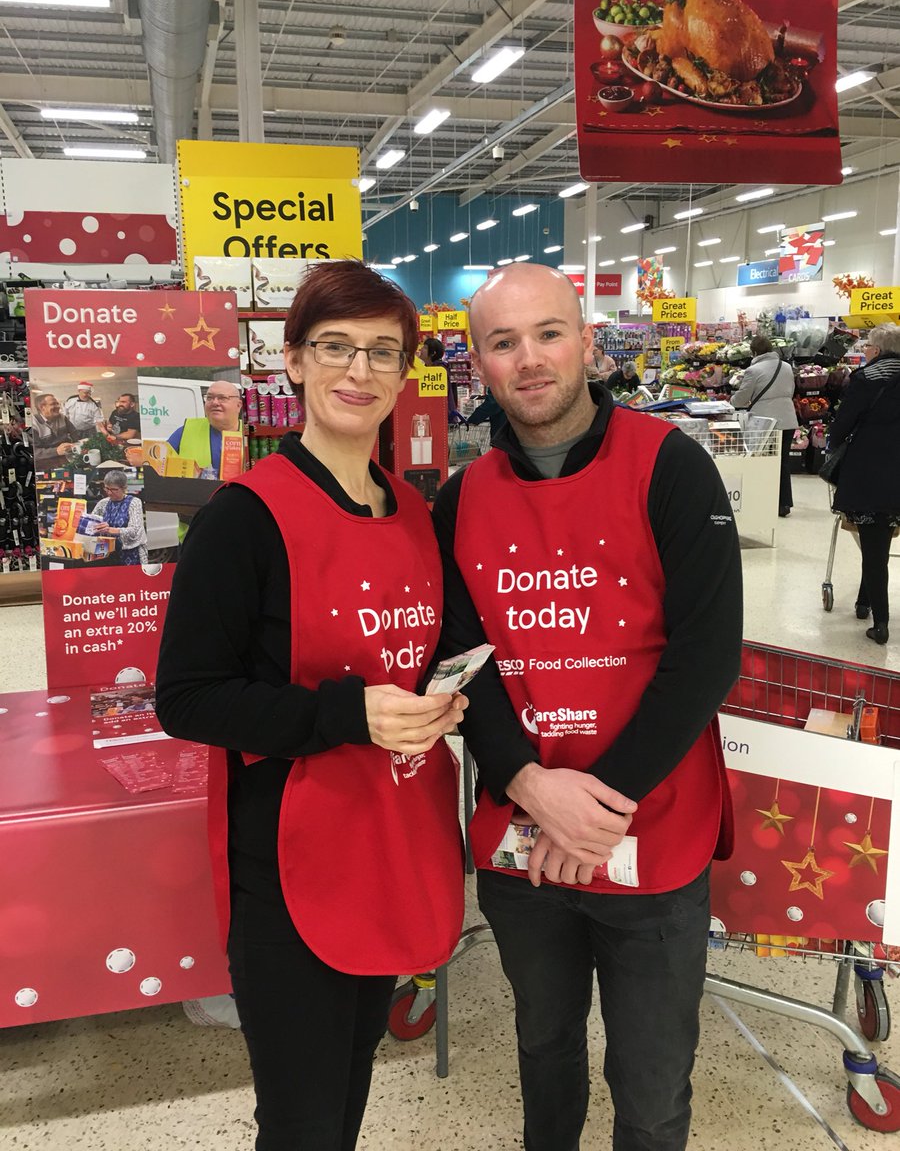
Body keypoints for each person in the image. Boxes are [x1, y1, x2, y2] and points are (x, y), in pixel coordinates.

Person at [155, 260, 465, 1151]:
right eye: (334, 347)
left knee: (351, 1081)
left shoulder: (414, 509)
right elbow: (188, 697)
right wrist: (347, 716)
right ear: (291, 361)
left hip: (395, 836)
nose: (358, 371)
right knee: (299, 1118)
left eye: (382, 352)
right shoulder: (243, 519)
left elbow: (414, 651)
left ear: (405, 373)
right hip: (289, 864)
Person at [432, 262, 742, 1151]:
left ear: (587, 342)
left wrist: (593, 805)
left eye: (549, 333)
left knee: (650, 1084)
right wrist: (531, 786)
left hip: (649, 824)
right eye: (504, 342)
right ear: (479, 365)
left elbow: (706, 658)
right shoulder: (462, 500)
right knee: (544, 1045)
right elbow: (465, 663)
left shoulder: (672, 467)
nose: (530, 359)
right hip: (523, 837)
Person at [828, 323, 900, 646]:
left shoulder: (866, 379)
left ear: (878, 350)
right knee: (877, 543)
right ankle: (863, 601)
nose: (866, 351)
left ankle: (881, 623)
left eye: (868, 346)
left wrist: (835, 442)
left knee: (872, 546)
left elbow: (842, 427)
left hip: (870, 474)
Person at [730, 334, 796, 517]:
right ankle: (784, 503)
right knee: (783, 461)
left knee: (764, 462)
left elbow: (742, 398)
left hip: (765, 422)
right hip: (788, 418)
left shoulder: (754, 370)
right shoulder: (787, 367)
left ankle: (766, 499)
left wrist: (730, 401)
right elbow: (790, 391)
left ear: (754, 351)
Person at [166, 380, 243, 477]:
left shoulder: (251, 434)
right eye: (210, 398)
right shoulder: (186, 430)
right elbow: (160, 463)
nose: (214, 402)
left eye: (222, 398)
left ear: (238, 405)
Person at [89, 469, 148, 565]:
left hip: (129, 554)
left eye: (114, 489)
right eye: (107, 488)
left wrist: (111, 530)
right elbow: (90, 523)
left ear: (124, 488)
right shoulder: (103, 503)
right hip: (107, 554)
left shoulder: (134, 502)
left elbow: (135, 531)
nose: (109, 493)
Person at [32, 393, 78, 469]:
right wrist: (56, 451)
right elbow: (34, 453)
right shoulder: (33, 425)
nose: (58, 406)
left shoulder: (62, 417)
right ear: (42, 407)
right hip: (45, 464)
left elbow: (75, 433)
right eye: (53, 404)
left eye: (57, 403)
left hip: (67, 459)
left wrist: (76, 444)